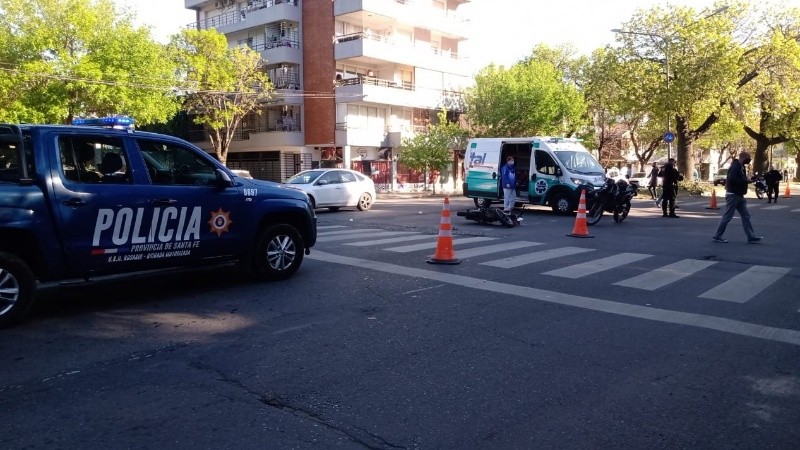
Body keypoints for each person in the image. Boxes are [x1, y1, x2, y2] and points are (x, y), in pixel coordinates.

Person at [712, 151, 763, 244]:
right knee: (728, 216)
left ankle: (751, 237)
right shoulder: (735, 167)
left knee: (746, 216)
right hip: (733, 195)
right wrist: (745, 181)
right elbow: (732, 179)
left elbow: (740, 179)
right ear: (743, 158)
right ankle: (717, 236)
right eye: (748, 158)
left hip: (739, 195)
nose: (749, 160)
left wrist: (748, 180)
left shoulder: (741, 167)